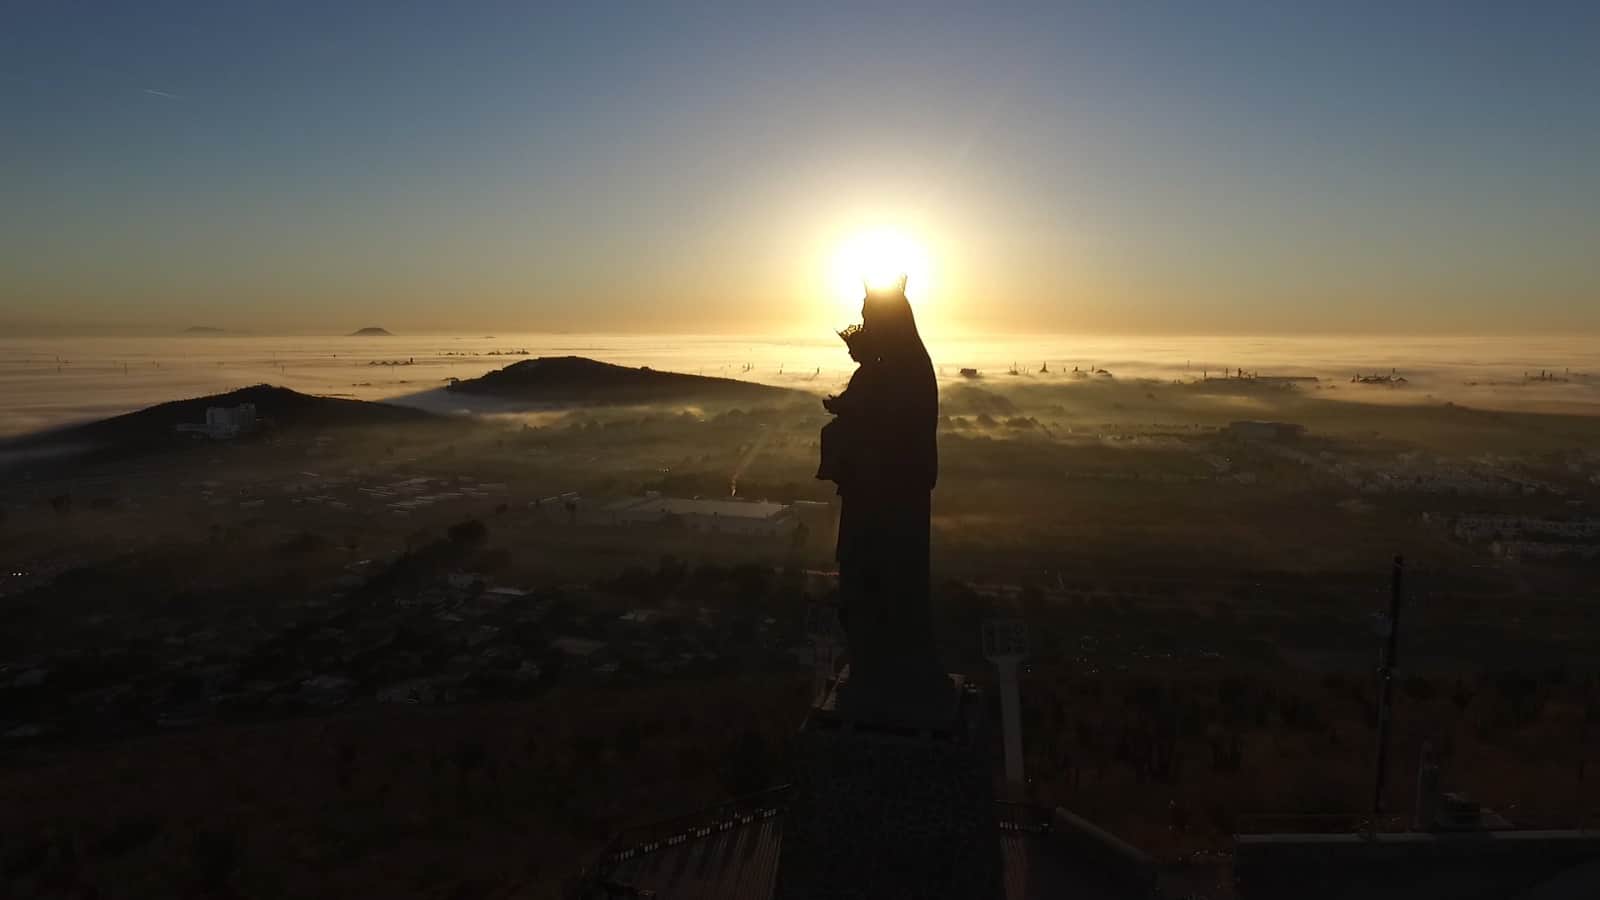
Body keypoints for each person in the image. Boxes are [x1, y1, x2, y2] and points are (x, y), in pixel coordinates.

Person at [816, 275, 945, 721]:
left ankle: (891, 672)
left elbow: (901, 428)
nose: (865, 323)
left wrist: (855, 412)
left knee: (885, 583)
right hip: (872, 498)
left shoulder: (907, 368)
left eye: (872, 317)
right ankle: (874, 665)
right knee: (865, 583)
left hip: (891, 504)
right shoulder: (892, 365)